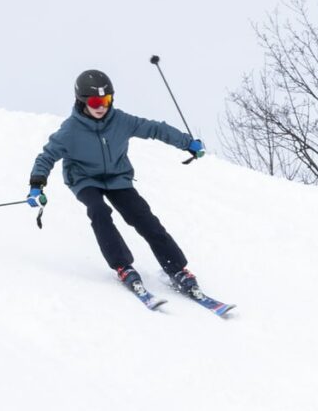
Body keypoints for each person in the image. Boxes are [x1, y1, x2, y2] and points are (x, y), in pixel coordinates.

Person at [27, 69, 210, 297]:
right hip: (85, 179)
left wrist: (187, 143)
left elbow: (155, 128)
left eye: (106, 99)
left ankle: (177, 268)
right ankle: (122, 265)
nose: (101, 106)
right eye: (95, 101)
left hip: (117, 177)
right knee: (99, 211)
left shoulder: (120, 120)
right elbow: (47, 156)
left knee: (143, 218)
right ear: (82, 101)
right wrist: (37, 185)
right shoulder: (70, 131)